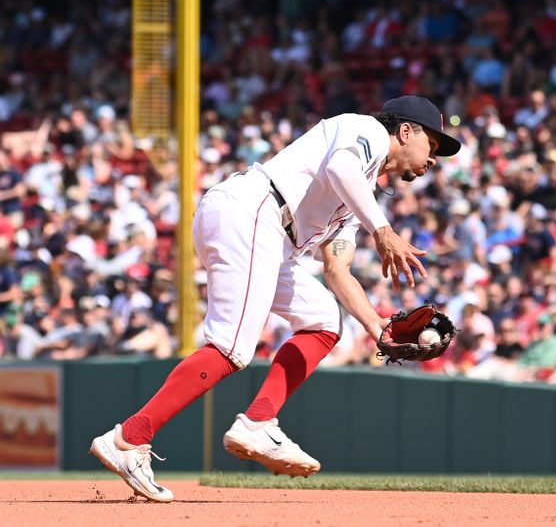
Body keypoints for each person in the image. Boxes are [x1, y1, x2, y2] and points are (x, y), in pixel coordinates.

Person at [89, 95, 461, 502]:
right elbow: (341, 167)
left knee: (323, 320)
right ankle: (129, 437)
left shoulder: (359, 195)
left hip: (266, 229)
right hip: (255, 210)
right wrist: (384, 231)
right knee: (233, 347)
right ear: (405, 131)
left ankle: (258, 422)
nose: (434, 157)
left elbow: (337, 271)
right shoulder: (366, 129)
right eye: (433, 143)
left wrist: (378, 327)